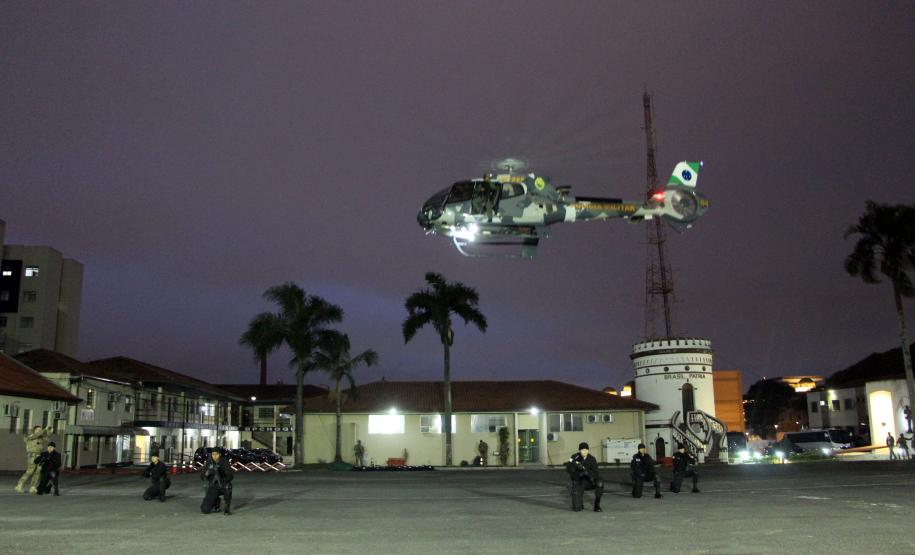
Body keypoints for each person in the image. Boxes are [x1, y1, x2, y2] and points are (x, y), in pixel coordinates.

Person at [566, 442, 603, 512]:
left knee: (600, 483)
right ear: (579, 450)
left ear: (588, 450)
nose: (584, 451)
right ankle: (579, 503)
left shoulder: (592, 459)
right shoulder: (574, 457)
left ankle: (597, 505)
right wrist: (575, 466)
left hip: (589, 481)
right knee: (577, 509)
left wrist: (587, 473)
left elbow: (596, 472)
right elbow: (568, 467)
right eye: (582, 450)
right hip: (579, 481)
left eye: (586, 450)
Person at [15, 426, 53, 493]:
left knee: (38, 471)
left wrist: (50, 432)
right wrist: (44, 429)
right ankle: (19, 485)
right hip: (32, 455)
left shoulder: (40, 437)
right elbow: (36, 435)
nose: (39, 431)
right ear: (34, 431)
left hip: (39, 456)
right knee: (30, 471)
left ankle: (33, 487)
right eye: (38, 430)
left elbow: (48, 439)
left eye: (40, 430)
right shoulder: (30, 436)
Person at [200, 450, 233, 515]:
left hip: (223, 484)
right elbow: (202, 476)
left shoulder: (224, 462)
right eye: (213, 454)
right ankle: (216, 501)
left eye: (216, 454)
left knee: (228, 487)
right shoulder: (209, 462)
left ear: (220, 454)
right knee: (204, 510)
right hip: (213, 486)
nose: (214, 456)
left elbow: (231, 476)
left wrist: (222, 475)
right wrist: (207, 473)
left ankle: (227, 508)